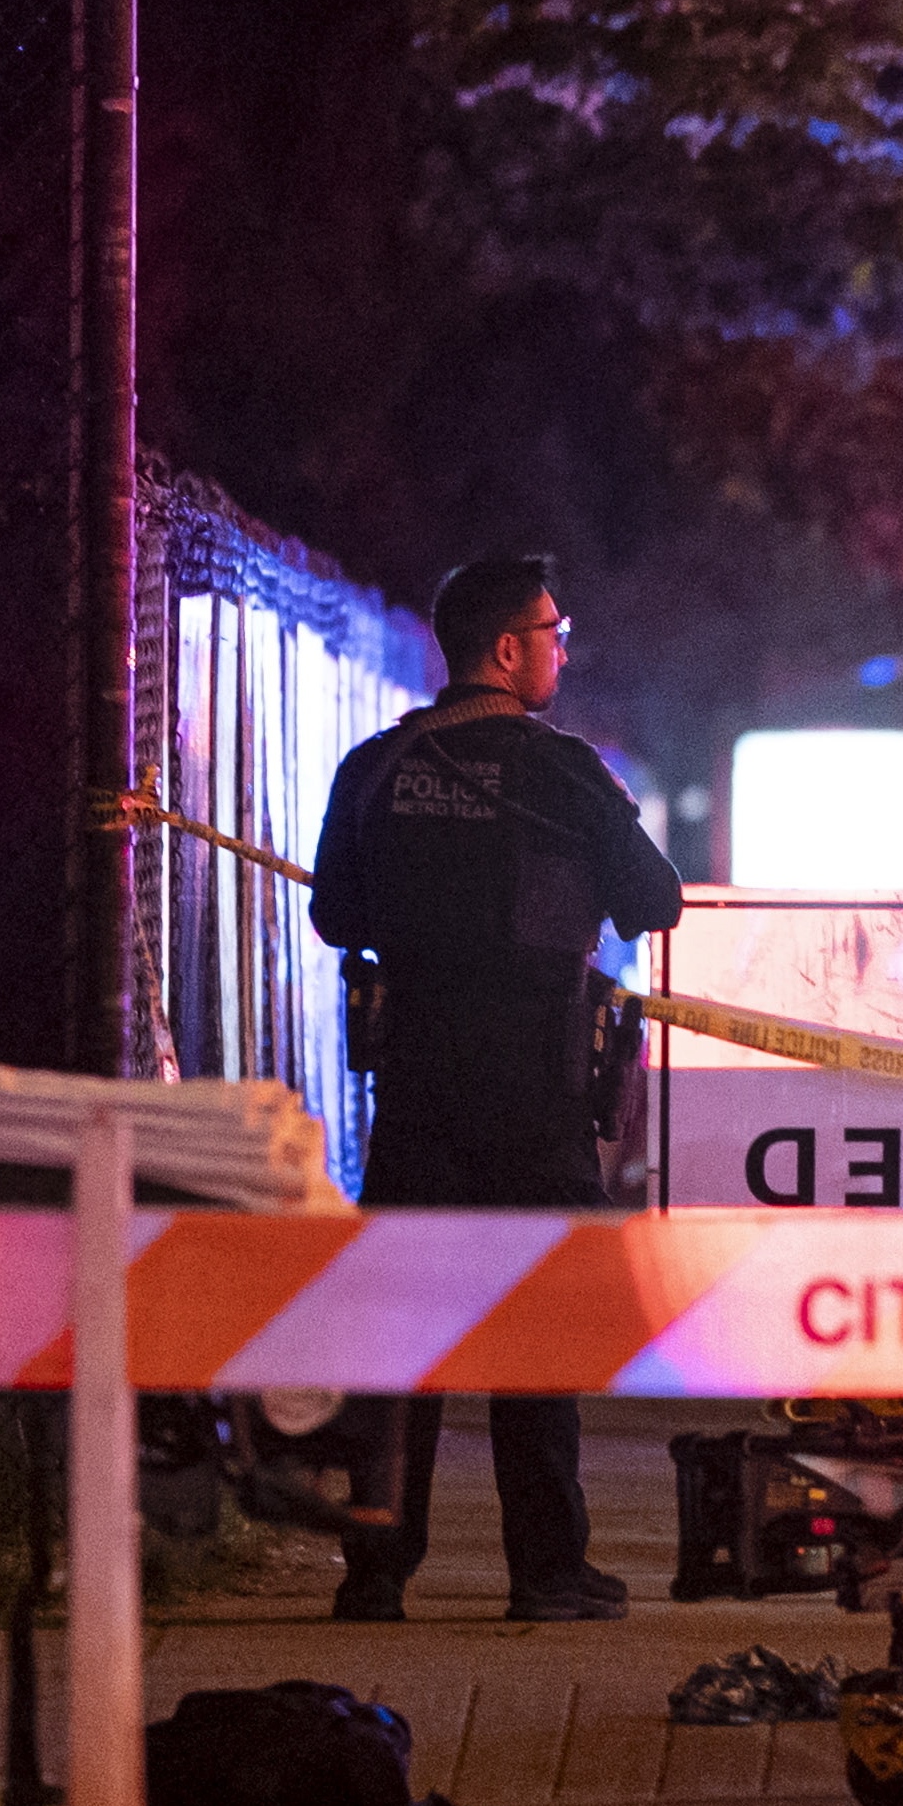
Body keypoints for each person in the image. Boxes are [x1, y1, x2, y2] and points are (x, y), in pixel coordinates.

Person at [309, 553, 685, 1622]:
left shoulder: (375, 768)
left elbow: (337, 915)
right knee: (538, 1324)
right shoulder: (564, 772)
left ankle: (376, 1571)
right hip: (538, 1090)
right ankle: (546, 1571)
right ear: (508, 648)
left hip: (417, 1094)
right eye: (556, 630)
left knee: (401, 1339)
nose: (564, 647)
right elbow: (653, 901)